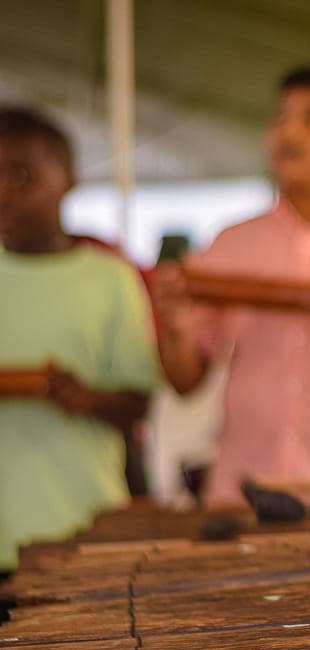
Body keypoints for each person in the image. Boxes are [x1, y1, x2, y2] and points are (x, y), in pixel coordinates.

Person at [154, 67, 310, 508]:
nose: (288, 131)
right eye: (280, 117)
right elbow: (185, 381)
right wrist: (176, 327)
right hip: (243, 495)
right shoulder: (230, 243)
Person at [0, 106, 159, 571]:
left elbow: (139, 402)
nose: (4, 193)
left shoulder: (111, 279)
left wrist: (85, 397)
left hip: (83, 529)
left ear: (68, 179)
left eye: (22, 176)